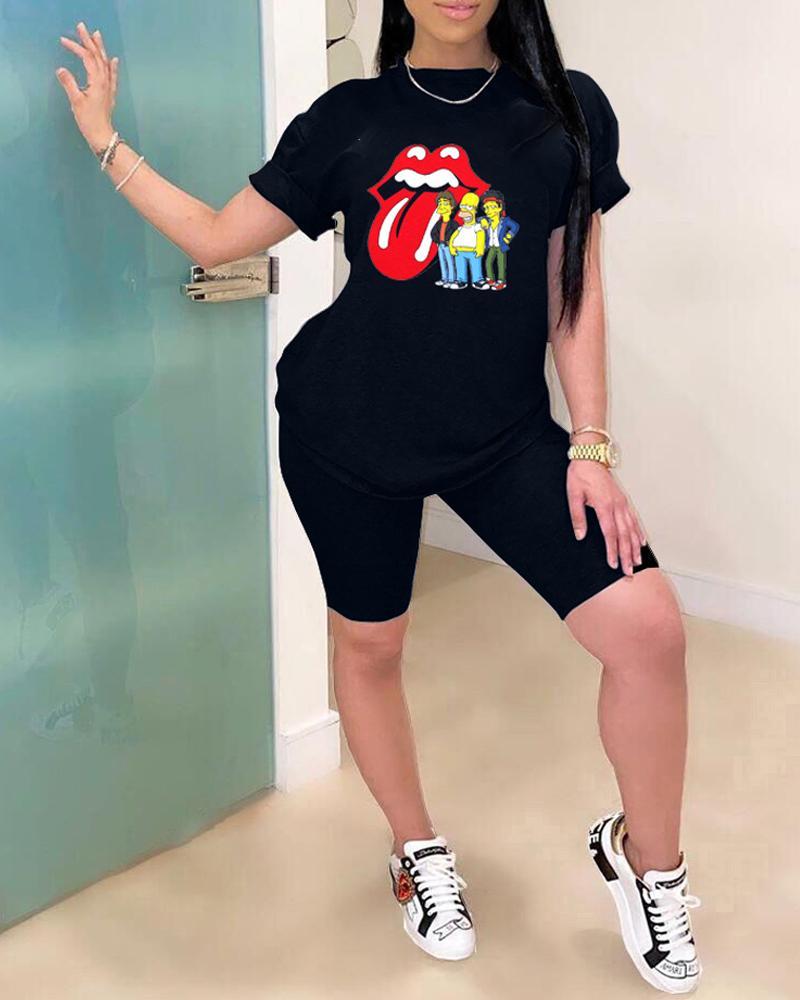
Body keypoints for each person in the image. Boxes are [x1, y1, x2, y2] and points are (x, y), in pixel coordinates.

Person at [55, 1, 702, 991]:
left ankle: (649, 863)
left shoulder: (565, 113)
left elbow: (570, 289)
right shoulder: (348, 119)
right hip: (345, 431)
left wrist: (590, 443)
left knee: (647, 629)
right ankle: (415, 850)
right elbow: (221, 237)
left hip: (500, 440)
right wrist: (106, 140)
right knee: (370, 646)